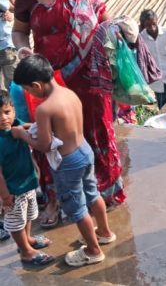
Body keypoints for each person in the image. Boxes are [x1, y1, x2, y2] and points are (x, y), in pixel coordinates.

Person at [13, 0, 125, 222]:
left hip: (87, 74)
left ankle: (104, 191)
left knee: (95, 129)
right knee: (47, 135)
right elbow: (19, 31)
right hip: (46, 79)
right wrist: (22, 50)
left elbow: (104, 21)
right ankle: (55, 198)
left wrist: (116, 36)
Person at [13, 55, 117, 267]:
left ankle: (93, 250)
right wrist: (31, 127)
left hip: (68, 162)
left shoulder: (44, 108)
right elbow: (62, 127)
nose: (30, 94)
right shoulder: (69, 93)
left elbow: (44, 144)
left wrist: (21, 135)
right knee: (92, 193)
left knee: (77, 208)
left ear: (36, 85)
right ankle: (104, 232)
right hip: (84, 151)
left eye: (29, 90)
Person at [0, 88, 54, 266]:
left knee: (29, 214)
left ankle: (28, 239)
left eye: (6, 112)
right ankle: (25, 251)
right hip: (12, 190)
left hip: (27, 181)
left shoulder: (15, 124)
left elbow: (26, 127)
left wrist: (28, 127)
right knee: (16, 221)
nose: (4, 118)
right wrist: (5, 195)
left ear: (13, 110)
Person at [139, 9, 166, 109]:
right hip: (157, 83)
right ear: (143, 25)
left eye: (154, 24)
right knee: (163, 111)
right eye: (148, 25)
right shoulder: (142, 38)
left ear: (157, 20)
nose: (152, 28)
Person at [0, 0, 17, 90]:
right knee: (14, 87)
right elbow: (17, 7)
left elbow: (12, 9)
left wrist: (7, 12)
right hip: (4, 47)